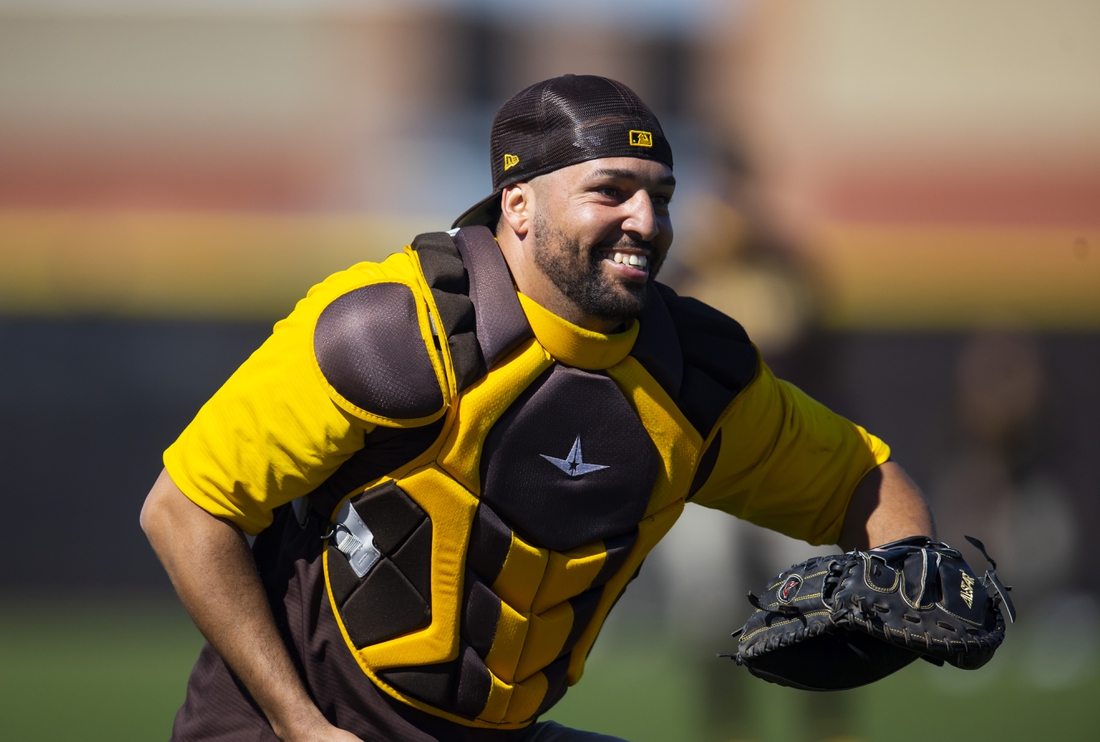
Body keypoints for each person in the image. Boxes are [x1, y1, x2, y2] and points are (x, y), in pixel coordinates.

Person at [141, 74, 933, 742]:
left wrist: (914, 569)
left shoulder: (694, 376)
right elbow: (184, 511)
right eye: (610, 192)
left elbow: (861, 479)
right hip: (301, 722)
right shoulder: (389, 329)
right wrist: (301, 726)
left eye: (660, 197)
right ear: (517, 205)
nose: (646, 223)